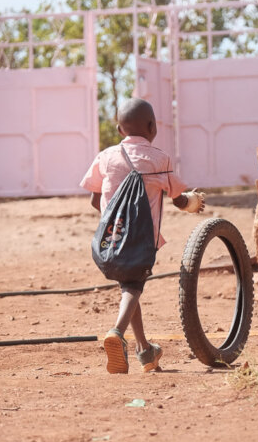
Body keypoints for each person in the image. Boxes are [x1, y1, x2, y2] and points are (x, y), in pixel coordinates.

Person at [80, 98, 204, 374]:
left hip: (110, 241)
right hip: (142, 242)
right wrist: (193, 203)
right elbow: (178, 199)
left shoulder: (106, 156)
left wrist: (115, 224)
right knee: (133, 287)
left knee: (128, 286)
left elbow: (94, 200)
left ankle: (145, 351)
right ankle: (117, 331)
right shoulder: (159, 159)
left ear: (119, 130)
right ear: (152, 127)